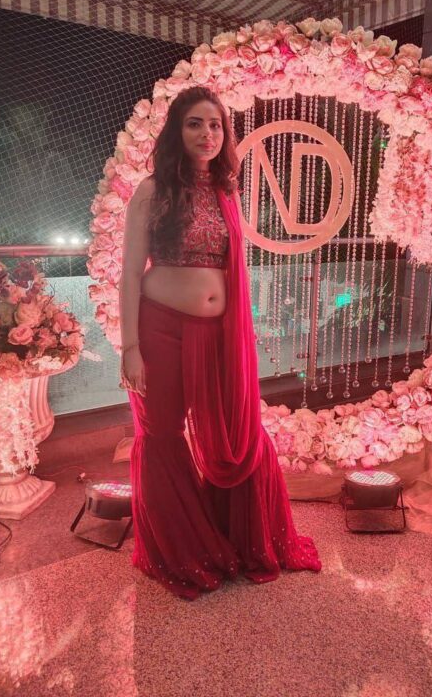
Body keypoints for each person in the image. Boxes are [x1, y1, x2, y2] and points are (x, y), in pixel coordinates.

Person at [118, 85, 321, 599]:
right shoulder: (152, 190)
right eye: (195, 123)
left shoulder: (226, 192)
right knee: (163, 433)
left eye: (215, 125)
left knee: (235, 430)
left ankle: (236, 539)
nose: (207, 134)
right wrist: (130, 348)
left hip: (218, 334)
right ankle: (180, 550)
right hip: (160, 329)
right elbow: (129, 273)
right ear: (176, 131)